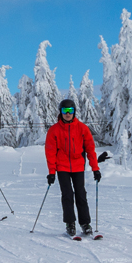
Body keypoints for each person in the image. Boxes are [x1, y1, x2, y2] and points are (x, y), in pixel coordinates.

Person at [45, 99, 108, 238]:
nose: (68, 114)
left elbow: (90, 150)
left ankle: (85, 224)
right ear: (60, 112)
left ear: (74, 112)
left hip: (78, 166)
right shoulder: (54, 130)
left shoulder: (82, 128)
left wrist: (95, 169)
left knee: (81, 194)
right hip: (62, 167)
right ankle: (70, 223)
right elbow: (50, 152)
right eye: (65, 111)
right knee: (67, 195)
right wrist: (51, 172)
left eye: (70, 111)